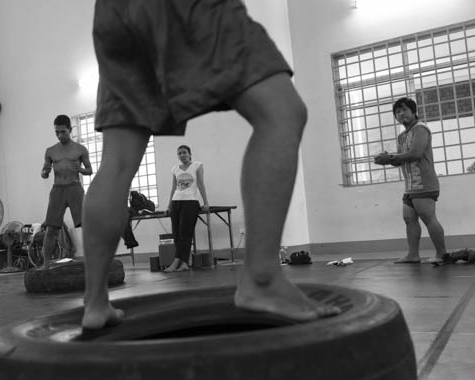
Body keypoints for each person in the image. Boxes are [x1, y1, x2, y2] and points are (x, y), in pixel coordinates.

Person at [81, 0, 340, 330]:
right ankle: (262, 280)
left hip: (116, 12)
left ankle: (95, 302)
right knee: (282, 113)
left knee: (116, 163)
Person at [374, 97, 447, 265]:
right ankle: (413, 255)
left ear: (414, 112)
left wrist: (391, 157)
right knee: (409, 219)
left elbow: (416, 154)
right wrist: (387, 160)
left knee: (428, 218)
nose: (401, 114)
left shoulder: (421, 129)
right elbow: (400, 160)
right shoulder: (401, 136)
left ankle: (442, 254)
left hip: (424, 183)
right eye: (397, 112)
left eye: (404, 110)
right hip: (410, 186)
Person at [40, 114, 93, 270]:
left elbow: (89, 170)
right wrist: (44, 173)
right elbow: (44, 171)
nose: (60, 135)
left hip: (74, 188)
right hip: (58, 190)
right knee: (51, 228)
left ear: (70, 130)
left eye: (63, 131)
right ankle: (46, 263)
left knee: (86, 225)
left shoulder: (80, 149)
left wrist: (82, 170)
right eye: (57, 132)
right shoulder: (50, 151)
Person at [164, 145, 209, 273]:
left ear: (189, 154)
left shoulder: (197, 165)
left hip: (190, 202)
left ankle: (176, 261)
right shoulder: (175, 169)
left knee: (186, 233)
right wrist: (169, 205)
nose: (182, 155)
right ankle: (184, 263)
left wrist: (206, 202)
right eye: (179, 153)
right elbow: (173, 188)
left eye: (184, 152)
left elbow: (200, 183)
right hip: (176, 202)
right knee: (177, 234)